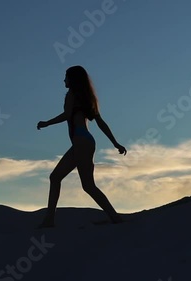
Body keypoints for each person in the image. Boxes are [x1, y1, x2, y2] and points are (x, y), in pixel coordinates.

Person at [36, 65, 126, 228]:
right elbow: (100, 122)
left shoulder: (71, 95)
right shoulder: (86, 97)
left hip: (80, 142)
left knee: (55, 177)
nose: (64, 80)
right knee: (88, 186)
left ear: (73, 79)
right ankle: (115, 217)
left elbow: (66, 115)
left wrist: (47, 123)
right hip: (87, 142)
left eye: (66, 77)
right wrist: (115, 143)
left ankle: (49, 220)